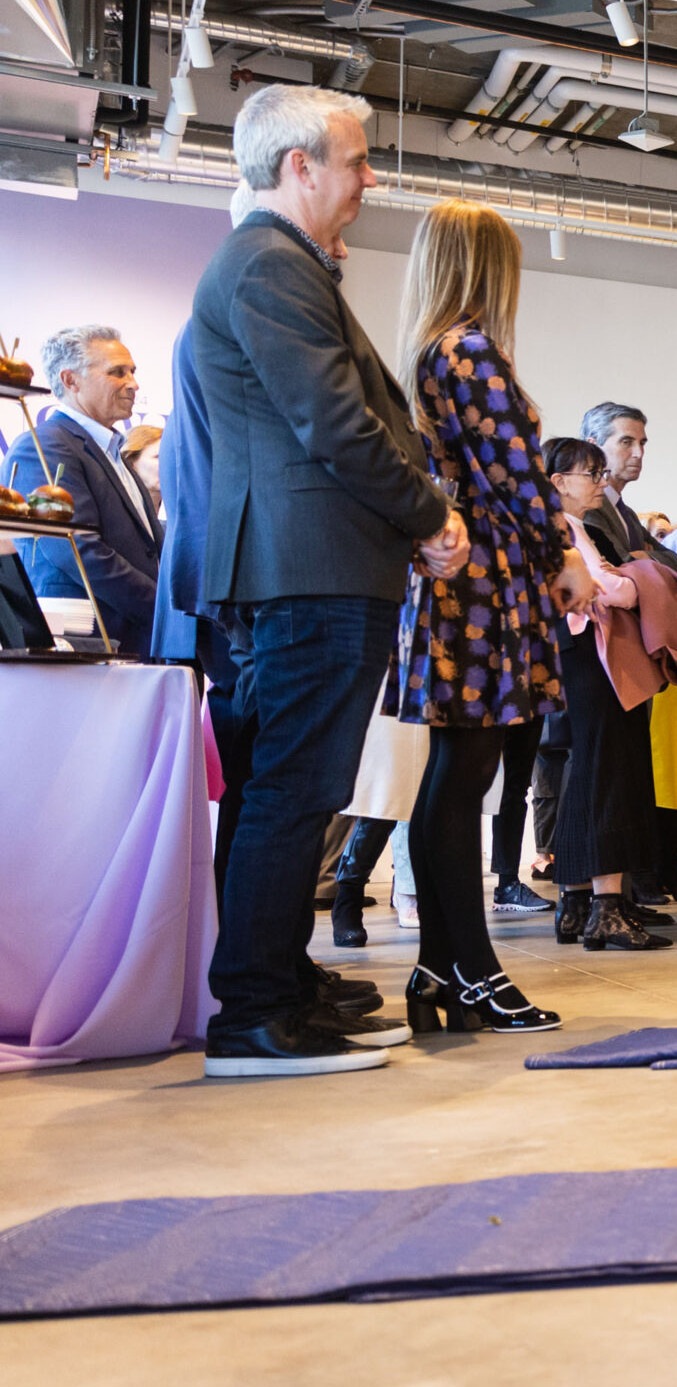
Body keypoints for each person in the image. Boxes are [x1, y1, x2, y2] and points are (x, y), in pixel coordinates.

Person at [186, 84, 466, 1078]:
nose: (369, 177)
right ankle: (255, 1011)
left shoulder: (278, 266)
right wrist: (432, 518)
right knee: (292, 791)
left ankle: (278, 983)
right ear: (299, 166)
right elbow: (336, 426)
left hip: (314, 567)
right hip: (311, 569)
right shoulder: (269, 265)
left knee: (292, 790)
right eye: (355, 159)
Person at [390, 202, 596, 1028]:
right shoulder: (470, 349)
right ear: (484, 265)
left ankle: (442, 970)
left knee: (456, 774)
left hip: (467, 579)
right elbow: (519, 473)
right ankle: (470, 967)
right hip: (483, 582)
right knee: (462, 774)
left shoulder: (435, 350)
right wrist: (564, 555)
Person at [540, 437, 673, 953]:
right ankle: (607, 911)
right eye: (589, 474)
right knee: (608, 774)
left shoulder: (569, 527)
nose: (599, 484)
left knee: (587, 776)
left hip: (580, 658)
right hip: (591, 660)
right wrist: (639, 579)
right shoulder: (563, 529)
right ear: (558, 482)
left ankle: (575, 905)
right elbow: (609, 589)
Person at [578, 399, 677, 908]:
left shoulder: (621, 511)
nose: (638, 452)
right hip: (594, 652)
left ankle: (609, 900)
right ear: (594, 445)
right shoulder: (588, 510)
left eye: (643, 442)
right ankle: (596, 902)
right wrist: (642, 564)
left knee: (620, 776)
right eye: (626, 441)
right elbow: (620, 580)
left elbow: (666, 562)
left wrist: (646, 562)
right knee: (602, 778)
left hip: (623, 653)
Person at [5, 324, 160, 651]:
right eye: (117, 373)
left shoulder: (111, 450)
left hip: (137, 646)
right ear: (69, 380)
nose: (133, 383)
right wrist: (163, 611)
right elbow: (76, 550)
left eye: (132, 371)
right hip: (91, 650)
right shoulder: (44, 446)